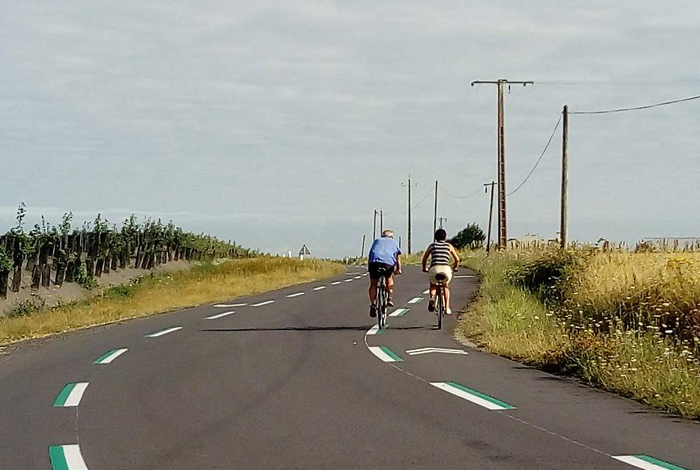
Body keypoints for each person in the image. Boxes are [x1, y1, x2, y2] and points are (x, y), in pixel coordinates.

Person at [421, 228, 460, 314]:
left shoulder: (432, 246)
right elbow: (457, 259)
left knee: (433, 284)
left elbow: (424, 259)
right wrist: (454, 268)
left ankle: (432, 298)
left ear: (435, 237)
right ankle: (447, 307)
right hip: (445, 269)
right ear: (445, 237)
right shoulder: (449, 246)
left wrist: (424, 268)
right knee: (445, 286)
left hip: (434, 268)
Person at [367, 229, 402, 317]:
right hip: (388, 264)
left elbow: (371, 255)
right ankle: (389, 297)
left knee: (373, 284)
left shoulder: (377, 241)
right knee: (389, 277)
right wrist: (398, 269)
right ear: (391, 237)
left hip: (374, 263)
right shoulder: (394, 242)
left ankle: (373, 304)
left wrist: (369, 268)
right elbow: (398, 259)